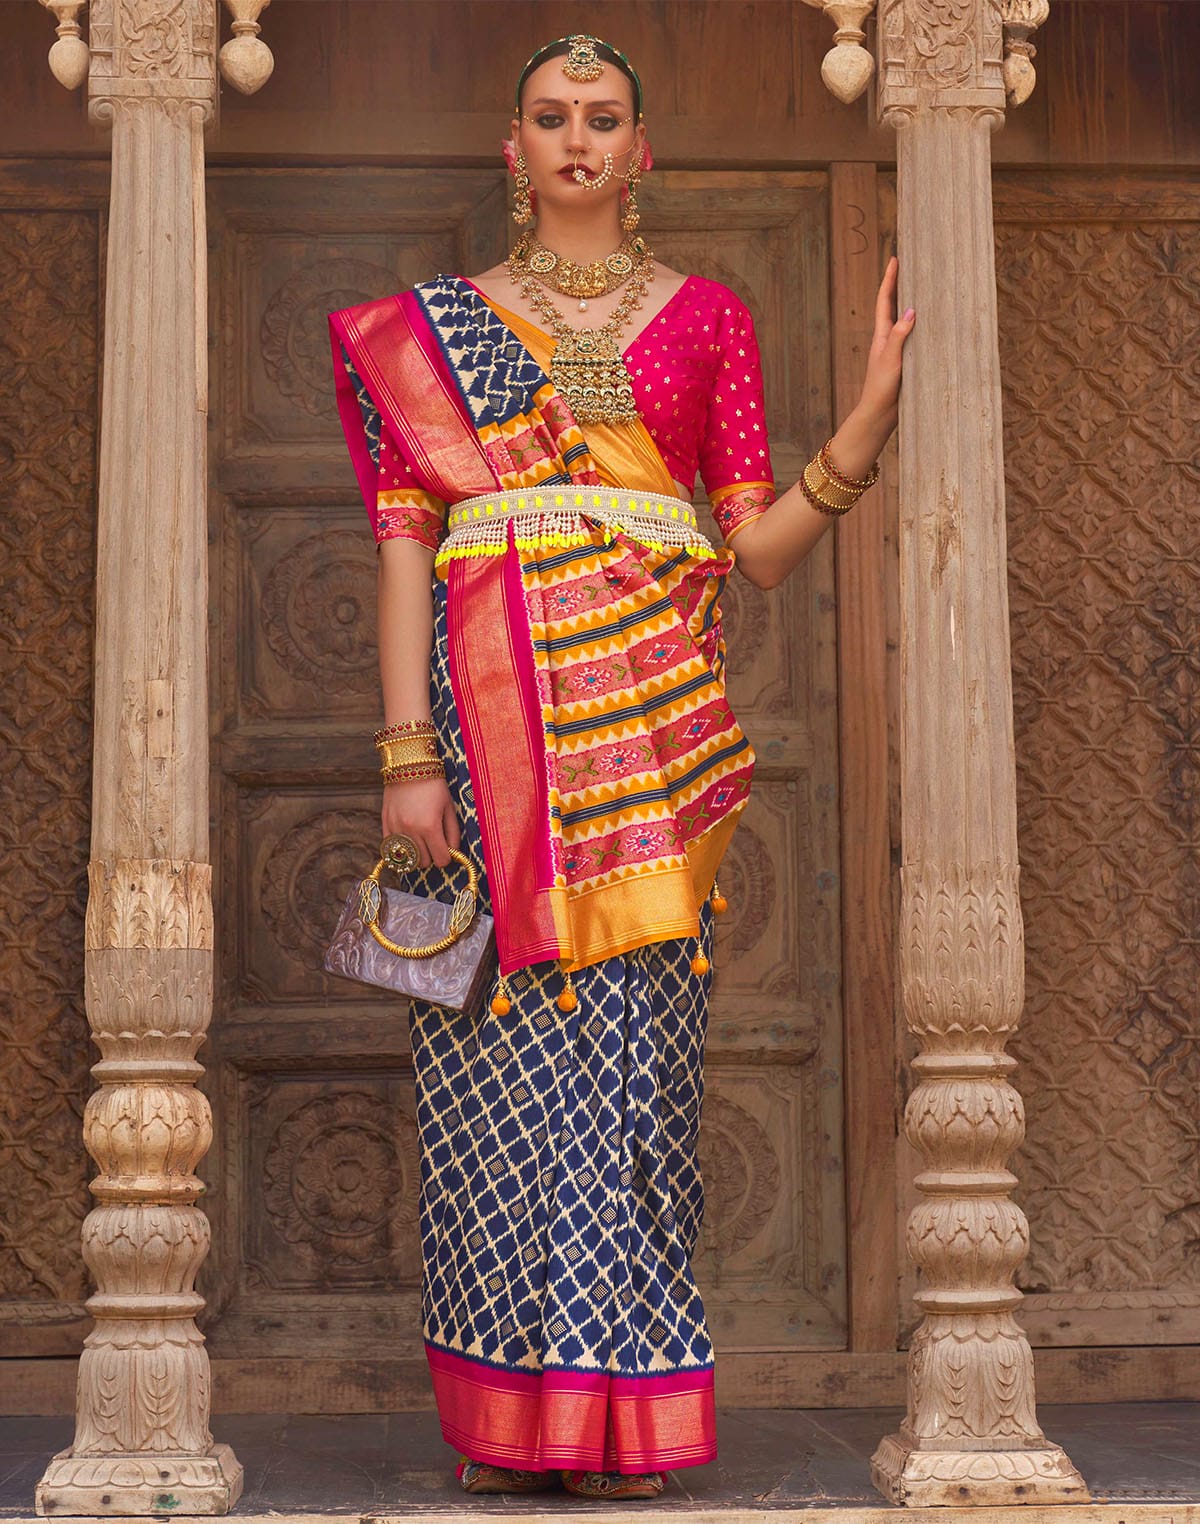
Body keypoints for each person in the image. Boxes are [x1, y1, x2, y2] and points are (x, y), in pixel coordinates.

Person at [329, 33, 911, 1503]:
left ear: (642, 152)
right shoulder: (437, 331)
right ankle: (507, 1423)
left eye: (603, 119)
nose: (577, 140)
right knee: (488, 1076)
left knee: (635, 1075)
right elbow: (406, 547)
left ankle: (616, 1417)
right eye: (549, 117)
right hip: (484, 733)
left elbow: (752, 548)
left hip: (652, 748)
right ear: (509, 149)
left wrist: (863, 430)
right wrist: (409, 759)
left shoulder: (708, 318)